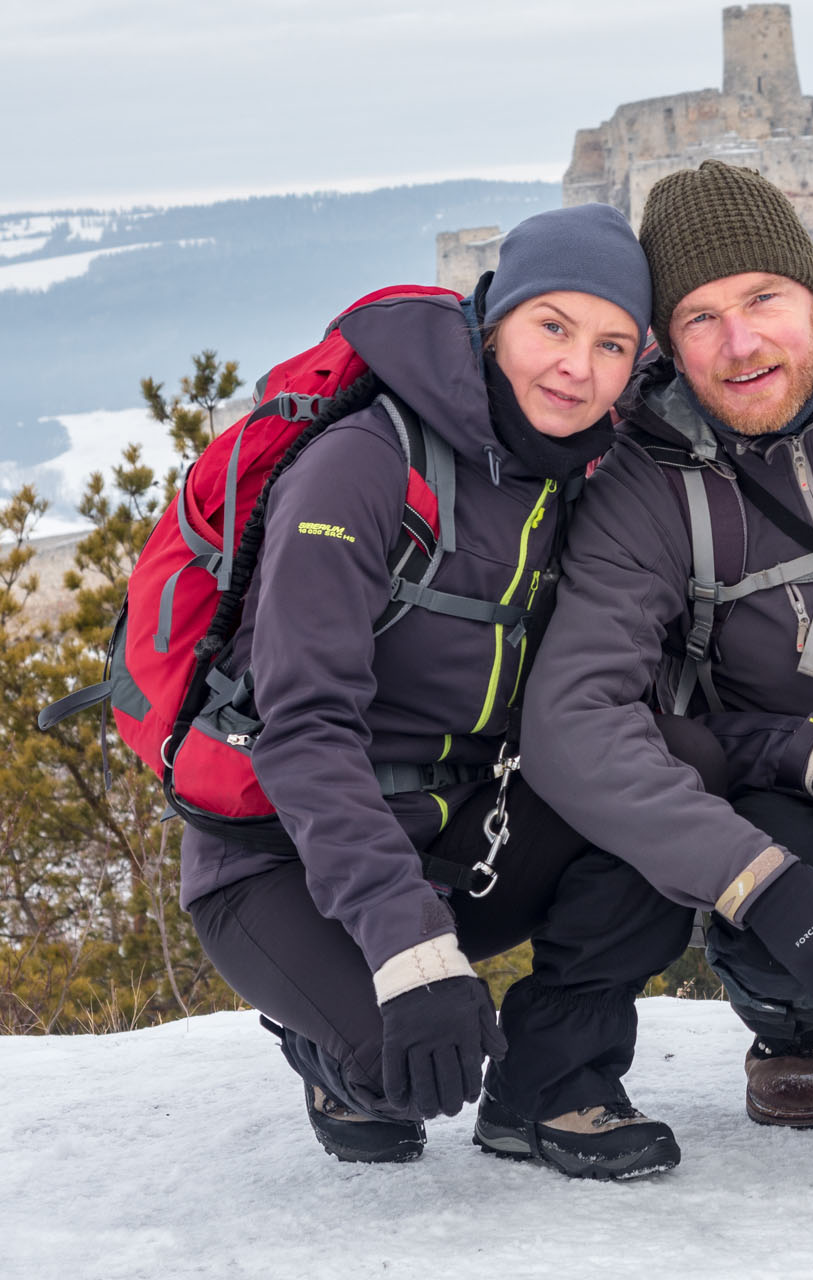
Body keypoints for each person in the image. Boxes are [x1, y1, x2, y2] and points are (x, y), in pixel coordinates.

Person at [182, 204, 715, 1179]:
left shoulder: (585, 476)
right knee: (402, 1070)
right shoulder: (363, 467)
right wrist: (410, 953)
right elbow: (301, 730)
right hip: (280, 859)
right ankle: (327, 1050)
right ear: (494, 319)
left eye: (608, 343)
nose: (576, 367)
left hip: (462, 830)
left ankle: (554, 1084)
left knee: (680, 778)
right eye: (551, 326)